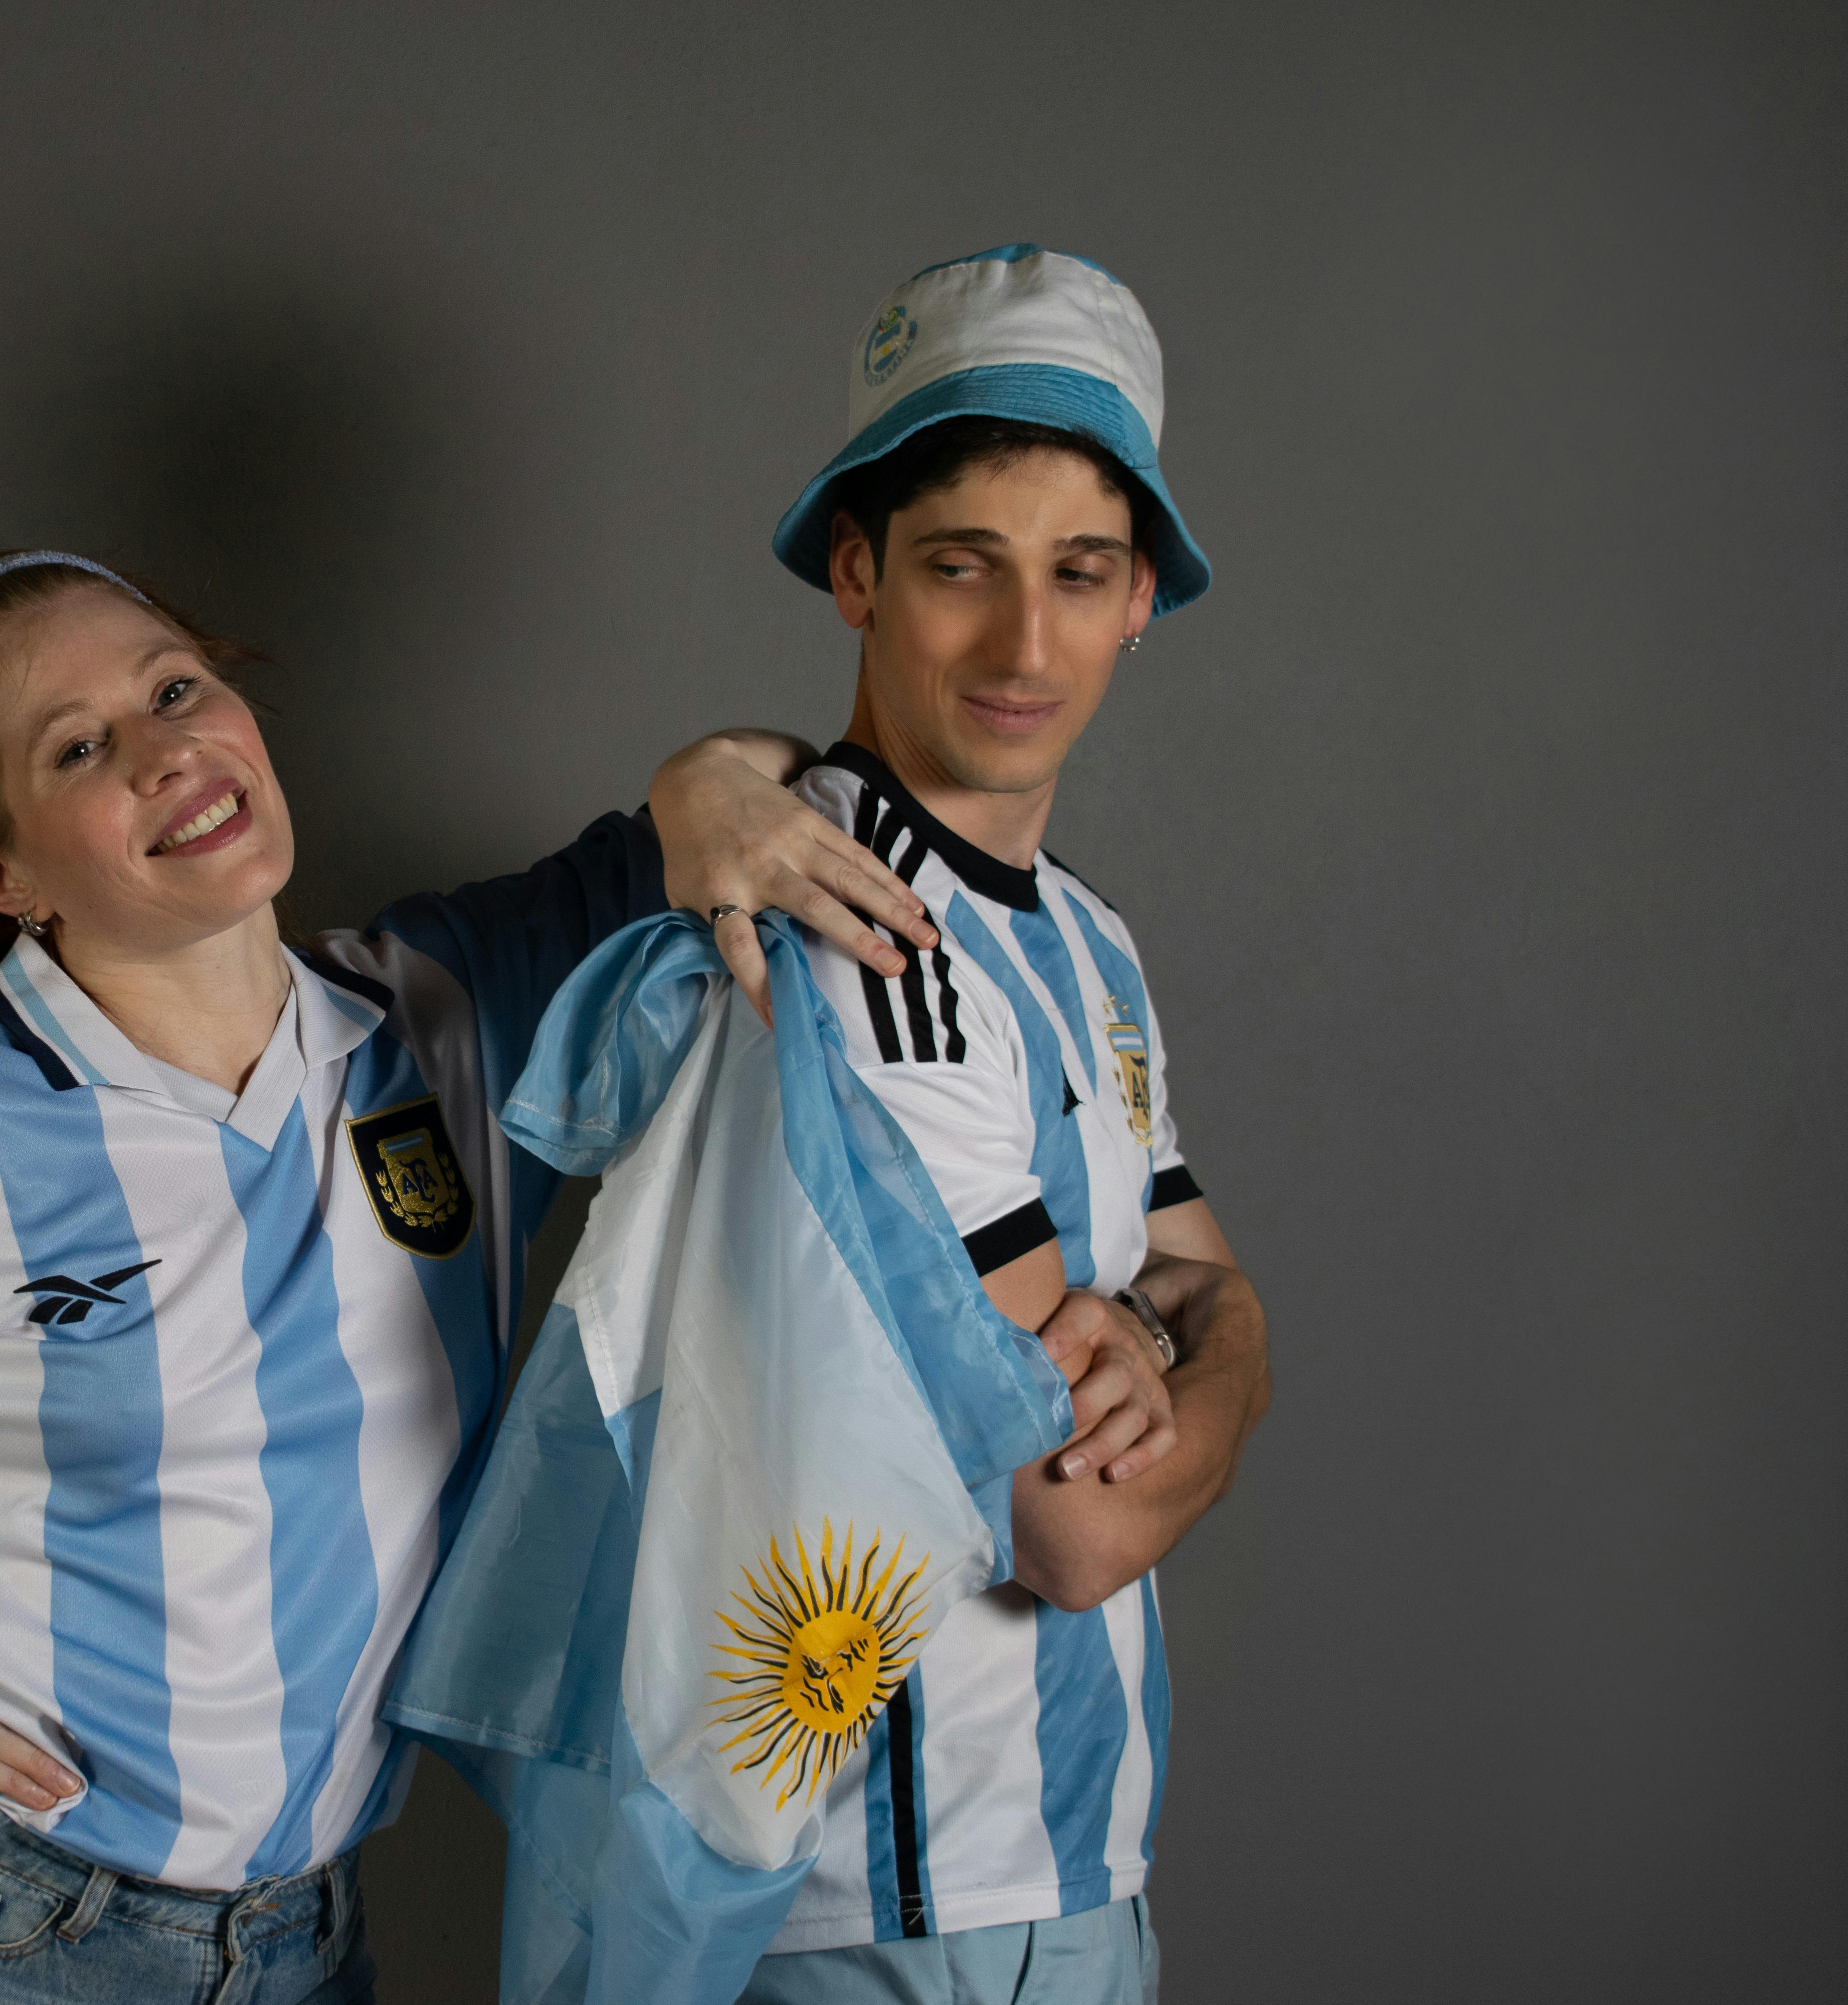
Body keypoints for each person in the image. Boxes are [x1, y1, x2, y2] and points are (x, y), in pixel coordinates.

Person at [0, 546, 942, 2005]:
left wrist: (715, 777)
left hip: (299, 1943)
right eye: (75, 749)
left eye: (174, 690)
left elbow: (732, 800)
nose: (160, 753)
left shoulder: (446, 1013)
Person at [387, 246, 1272, 2005]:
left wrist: (1207, 1340)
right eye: (963, 568)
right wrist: (1221, 1359)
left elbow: (1196, 1268)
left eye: (1078, 572)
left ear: (1137, 601)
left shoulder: (1085, 938)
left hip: (1069, 1867)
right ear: (858, 574)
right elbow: (1079, 1527)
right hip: (895, 1902)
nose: (1027, 642)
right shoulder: (865, 944)